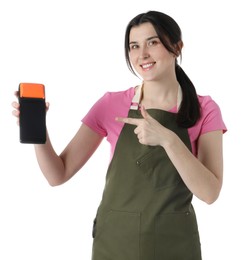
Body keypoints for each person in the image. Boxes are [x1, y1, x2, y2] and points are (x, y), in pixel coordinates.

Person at [12, 10, 227, 260]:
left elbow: (210, 193)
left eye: (153, 42)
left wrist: (168, 140)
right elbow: (57, 174)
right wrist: (39, 130)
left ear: (177, 47)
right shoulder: (110, 104)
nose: (142, 54)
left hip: (175, 247)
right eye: (134, 46)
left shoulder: (205, 109)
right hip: (114, 245)